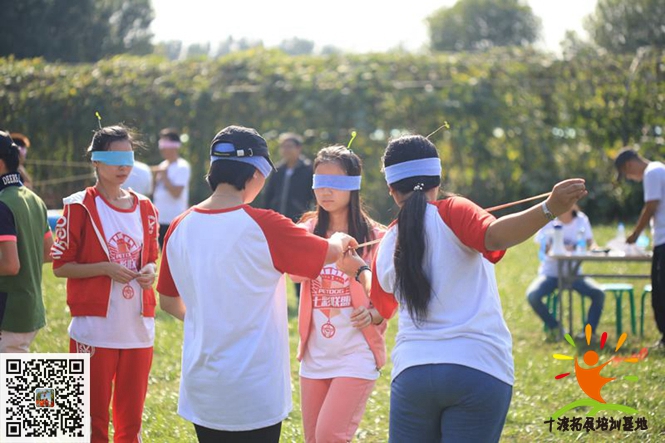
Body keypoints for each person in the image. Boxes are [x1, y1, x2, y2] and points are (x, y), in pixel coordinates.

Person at [349, 134, 586, 443]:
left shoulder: (388, 241)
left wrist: (360, 270)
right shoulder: (454, 211)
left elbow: (381, 306)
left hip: (413, 374)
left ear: (392, 190)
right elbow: (495, 236)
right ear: (437, 180)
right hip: (478, 367)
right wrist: (548, 209)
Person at [156, 125, 358, 443]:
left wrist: (208, 318)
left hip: (202, 387)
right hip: (254, 391)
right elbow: (329, 253)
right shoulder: (265, 225)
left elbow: (168, 301)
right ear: (254, 174)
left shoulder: (179, 225)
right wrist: (342, 238)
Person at [51, 125, 159, 443]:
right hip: (95, 329)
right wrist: (104, 269)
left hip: (138, 329)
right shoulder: (79, 205)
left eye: (128, 158)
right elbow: (60, 267)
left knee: (131, 422)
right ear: (96, 161)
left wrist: (149, 271)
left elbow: (151, 258)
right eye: (114, 159)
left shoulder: (146, 207)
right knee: (91, 419)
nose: (123, 166)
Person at [292, 146, 386, 443]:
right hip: (314, 357)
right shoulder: (306, 230)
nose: (325, 190)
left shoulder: (377, 237)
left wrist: (374, 314)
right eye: (319, 182)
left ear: (354, 185)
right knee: (312, 439)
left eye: (335, 183)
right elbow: (293, 273)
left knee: (329, 436)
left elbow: (391, 296)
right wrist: (328, 247)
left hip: (356, 355)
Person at [0, 130, 52, 352]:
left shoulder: (3, 204)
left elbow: (11, 265)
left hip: (8, 316)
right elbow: (49, 252)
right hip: (30, 311)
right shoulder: (34, 199)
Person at [526, 206, 605, 341]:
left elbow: (590, 243)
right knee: (532, 295)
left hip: (574, 274)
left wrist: (595, 248)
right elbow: (545, 248)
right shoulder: (549, 219)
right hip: (550, 274)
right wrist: (562, 247)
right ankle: (556, 328)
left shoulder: (581, 220)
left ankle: (588, 333)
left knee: (599, 293)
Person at [615, 147, 665, 349]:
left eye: (626, 174)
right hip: (660, 241)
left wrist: (635, 234)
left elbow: (651, 205)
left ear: (628, 165)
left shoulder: (651, 172)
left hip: (664, 241)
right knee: (659, 291)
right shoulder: (658, 169)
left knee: (661, 293)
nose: (629, 178)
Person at [263, 132, 314, 223]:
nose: (286, 150)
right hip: (277, 219)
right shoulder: (277, 170)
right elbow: (269, 194)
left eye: (289, 146)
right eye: (283, 147)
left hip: (300, 221)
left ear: (299, 148)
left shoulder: (308, 169)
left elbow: (313, 196)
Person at [152, 128, 190, 247]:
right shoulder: (162, 165)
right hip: (160, 219)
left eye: (165, 144)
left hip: (174, 219)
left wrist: (164, 176)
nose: (162, 148)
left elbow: (176, 193)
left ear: (175, 146)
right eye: (161, 144)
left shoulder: (182, 166)